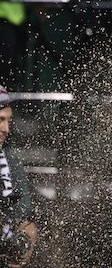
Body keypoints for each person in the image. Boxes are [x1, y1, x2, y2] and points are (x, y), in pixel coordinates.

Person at [0, 86, 38, 268]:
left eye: (8, 121)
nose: (6, 129)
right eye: (0, 120)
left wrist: (21, 245)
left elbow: (27, 222)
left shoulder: (9, 157)